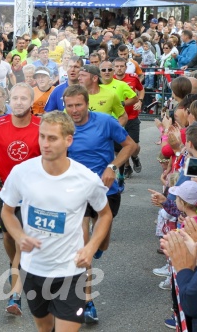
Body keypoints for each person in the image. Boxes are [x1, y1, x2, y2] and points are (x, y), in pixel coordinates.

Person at [1, 111, 112, 332]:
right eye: (42, 136)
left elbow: (105, 214)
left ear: (68, 140)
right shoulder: (22, 172)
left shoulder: (86, 178)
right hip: (33, 269)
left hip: (70, 271)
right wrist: (20, 236)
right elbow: (7, 212)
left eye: (52, 138)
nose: (45, 143)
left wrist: (91, 247)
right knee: (44, 328)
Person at [63, 84, 136, 323]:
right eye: (69, 105)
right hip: (76, 193)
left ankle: (100, 241)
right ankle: (88, 302)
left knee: (102, 243)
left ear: (87, 104)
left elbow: (130, 146)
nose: (74, 110)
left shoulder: (105, 122)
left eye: (78, 105)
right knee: (84, 247)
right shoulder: (63, 125)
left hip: (106, 189)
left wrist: (113, 167)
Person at [0, 82, 41, 315]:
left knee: (21, 234)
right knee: (10, 237)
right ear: (9, 102)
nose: (19, 102)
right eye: (15, 98)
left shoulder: (41, 125)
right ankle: (16, 267)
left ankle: (15, 294)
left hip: (32, 192)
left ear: (32, 101)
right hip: (3, 188)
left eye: (24, 98)